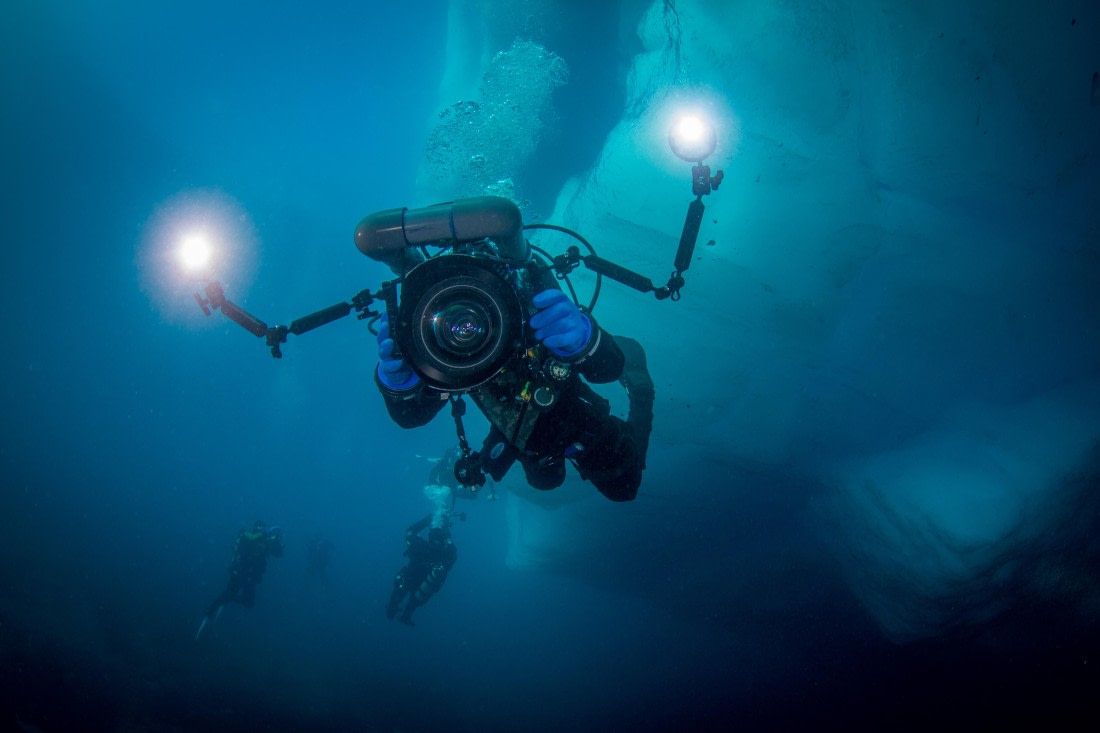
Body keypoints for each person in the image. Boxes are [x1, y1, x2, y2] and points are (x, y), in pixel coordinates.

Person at [375, 295, 654, 503]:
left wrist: (586, 340)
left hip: (573, 412)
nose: (468, 326)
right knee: (545, 480)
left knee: (623, 489)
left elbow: (608, 367)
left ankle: (641, 392)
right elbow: (410, 416)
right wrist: (400, 384)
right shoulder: (437, 341)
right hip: (520, 431)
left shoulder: (523, 294)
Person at [195, 520, 284, 640]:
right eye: (258, 527)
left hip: (250, 577)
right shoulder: (247, 534)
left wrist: (277, 541)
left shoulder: (265, 541)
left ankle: (227, 599)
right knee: (230, 593)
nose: (260, 529)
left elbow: (278, 553)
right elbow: (251, 538)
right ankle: (209, 612)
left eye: (261, 527)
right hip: (240, 572)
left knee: (248, 602)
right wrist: (265, 534)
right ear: (255, 527)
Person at [385, 515, 457, 626]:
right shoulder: (444, 555)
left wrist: (428, 519)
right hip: (423, 586)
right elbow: (452, 557)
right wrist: (448, 538)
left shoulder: (419, 545)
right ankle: (405, 616)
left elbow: (410, 531)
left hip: (409, 579)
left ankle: (391, 611)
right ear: (444, 540)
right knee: (415, 600)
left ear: (429, 536)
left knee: (399, 592)